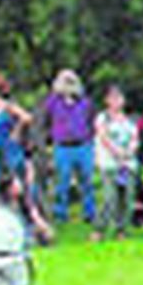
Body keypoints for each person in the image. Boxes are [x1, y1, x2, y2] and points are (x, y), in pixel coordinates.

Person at [45, 69, 96, 226]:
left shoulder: (85, 102)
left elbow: (91, 121)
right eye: (64, 80)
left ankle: (89, 212)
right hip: (62, 147)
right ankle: (61, 213)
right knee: (62, 181)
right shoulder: (53, 102)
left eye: (71, 80)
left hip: (83, 146)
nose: (68, 84)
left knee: (87, 180)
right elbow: (46, 119)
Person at [94, 86, 139, 241]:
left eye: (119, 98)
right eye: (112, 98)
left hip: (128, 164)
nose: (116, 101)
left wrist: (129, 152)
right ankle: (100, 228)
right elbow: (103, 137)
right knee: (109, 197)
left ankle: (122, 229)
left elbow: (135, 139)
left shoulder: (130, 119)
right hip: (109, 163)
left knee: (126, 198)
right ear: (107, 100)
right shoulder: (103, 117)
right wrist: (117, 152)